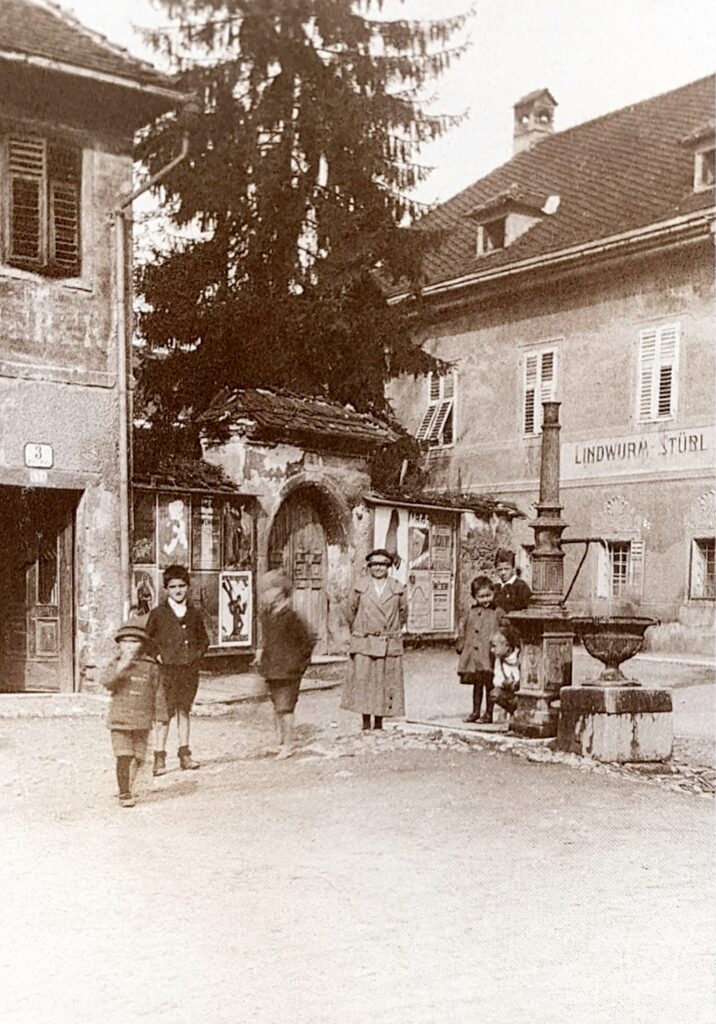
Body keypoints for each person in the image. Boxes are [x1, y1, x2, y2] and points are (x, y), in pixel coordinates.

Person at [147, 564, 209, 775]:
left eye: (182, 586)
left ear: (188, 587)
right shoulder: (158, 614)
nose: (178, 590)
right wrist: (158, 655)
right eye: (173, 587)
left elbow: (204, 640)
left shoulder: (194, 614)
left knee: (184, 710)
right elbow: (148, 641)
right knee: (164, 715)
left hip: (188, 672)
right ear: (166, 589)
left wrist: (195, 656)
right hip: (166, 672)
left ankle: (184, 754)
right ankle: (159, 758)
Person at [341, 548, 407, 731]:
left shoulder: (397, 588)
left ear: (389, 567)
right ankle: (365, 721)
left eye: (383, 565)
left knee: (384, 682)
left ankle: (379, 723)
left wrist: (391, 631)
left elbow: (403, 613)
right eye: (375, 564)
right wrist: (360, 630)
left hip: (387, 643)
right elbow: (349, 610)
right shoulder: (360, 587)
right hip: (364, 642)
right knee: (364, 681)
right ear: (369, 566)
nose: (379, 568)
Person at [103, 616, 162, 808]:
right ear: (119, 644)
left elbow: (158, 691)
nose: (129, 646)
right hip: (120, 720)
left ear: (143, 644)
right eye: (125, 641)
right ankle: (124, 793)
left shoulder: (150, 666)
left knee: (139, 757)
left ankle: (130, 785)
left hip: (142, 720)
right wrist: (121, 667)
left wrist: (161, 715)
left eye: (134, 641)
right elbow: (108, 683)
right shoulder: (115, 664)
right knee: (123, 755)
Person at [256, 571, 315, 759]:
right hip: (272, 669)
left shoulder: (291, 617)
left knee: (286, 708)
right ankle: (280, 741)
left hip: (289, 671)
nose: (265, 594)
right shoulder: (267, 616)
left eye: (269, 590)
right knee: (276, 707)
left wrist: (299, 664)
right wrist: (261, 656)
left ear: (281, 592)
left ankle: (288, 744)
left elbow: (307, 642)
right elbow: (265, 640)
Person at [456, 575, 501, 724]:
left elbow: (504, 629)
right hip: (475, 656)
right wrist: (461, 640)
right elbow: (462, 625)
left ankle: (488, 713)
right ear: (475, 597)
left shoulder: (497, 612)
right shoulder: (471, 611)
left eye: (488, 595)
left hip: (489, 655)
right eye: (481, 597)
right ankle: (475, 711)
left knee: (489, 685)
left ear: (493, 593)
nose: (486, 600)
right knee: (477, 685)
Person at [487, 625, 522, 723]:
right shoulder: (499, 660)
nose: (492, 650)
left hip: (521, 694)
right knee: (494, 694)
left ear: (507, 646)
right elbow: (496, 680)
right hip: (510, 692)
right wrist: (504, 683)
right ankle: (512, 711)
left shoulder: (521, 657)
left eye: (494, 646)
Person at [493, 548, 532, 614]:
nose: (503, 573)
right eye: (500, 569)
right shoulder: (495, 587)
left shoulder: (521, 587)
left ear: (513, 569)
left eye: (506, 569)